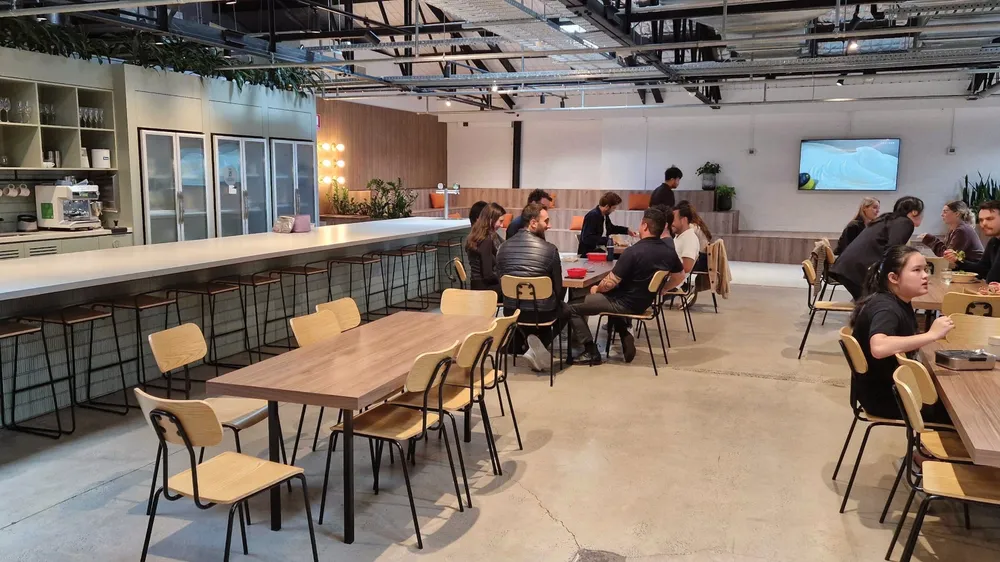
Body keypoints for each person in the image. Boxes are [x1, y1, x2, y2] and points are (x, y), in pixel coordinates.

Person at [848, 245, 953, 422]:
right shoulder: (886, 308)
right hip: (888, 398)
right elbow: (879, 347)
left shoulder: (894, 300)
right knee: (963, 412)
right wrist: (932, 335)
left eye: (926, 269)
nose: (925, 275)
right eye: (917, 270)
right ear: (893, 278)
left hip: (892, 390)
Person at [569, 207, 686, 364]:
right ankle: (625, 334)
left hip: (623, 304)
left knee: (571, 307)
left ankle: (591, 351)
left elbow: (609, 283)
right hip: (644, 302)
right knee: (611, 295)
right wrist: (664, 289)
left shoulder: (633, 252)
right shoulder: (669, 252)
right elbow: (680, 276)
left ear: (645, 226)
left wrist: (596, 289)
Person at [495, 202, 564, 371]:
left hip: (511, 311)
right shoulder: (550, 250)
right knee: (566, 310)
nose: (549, 225)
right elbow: (558, 289)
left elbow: (501, 281)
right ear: (533, 223)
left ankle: (526, 343)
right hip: (543, 313)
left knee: (536, 311)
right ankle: (536, 347)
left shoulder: (502, 248)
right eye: (546, 221)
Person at [830, 196, 924, 300]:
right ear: (914, 212)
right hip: (857, 269)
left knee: (871, 302)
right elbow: (893, 249)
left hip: (847, 266)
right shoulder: (905, 222)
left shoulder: (887, 218)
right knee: (877, 302)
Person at [945, 200, 1000, 282]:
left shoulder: (962, 230)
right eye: (981, 220)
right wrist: (957, 260)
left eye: (989, 219)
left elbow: (993, 278)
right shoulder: (994, 241)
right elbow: (982, 269)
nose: (984, 223)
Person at [465, 202, 506, 301]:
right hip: (484, 289)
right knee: (517, 292)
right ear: (491, 220)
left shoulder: (476, 235)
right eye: (500, 221)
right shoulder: (486, 240)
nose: (502, 225)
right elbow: (488, 275)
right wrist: (505, 281)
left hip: (478, 286)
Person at [671, 201, 711, 275]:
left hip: (701, 259)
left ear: (684, 219)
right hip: (702, 257)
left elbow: (686, 267)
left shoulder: (691, 230)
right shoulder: (697, 224)